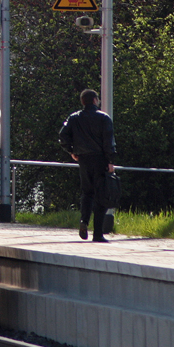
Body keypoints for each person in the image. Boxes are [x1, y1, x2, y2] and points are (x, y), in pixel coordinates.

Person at [59, 89, 117, 243]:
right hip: (100, 160)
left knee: (87, 192)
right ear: (94, 100)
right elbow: (108, 141)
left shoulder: (74, 118)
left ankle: (84, 220)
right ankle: (97, 233)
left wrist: (72, 151)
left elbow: (63, 136)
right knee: (101, 195)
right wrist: (110, 160)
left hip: (83, 159)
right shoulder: (104, 118)